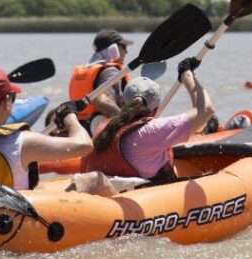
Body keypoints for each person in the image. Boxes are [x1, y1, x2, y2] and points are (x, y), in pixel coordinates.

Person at [81, 57, 214, 183]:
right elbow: (206, 111)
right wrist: (187, 74)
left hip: (109, 197)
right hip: (147, 201)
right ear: (156, 109)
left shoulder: (105, 127)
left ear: (123, 102)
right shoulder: (153, 131)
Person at [66, 28, 134, 133]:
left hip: (80, 132)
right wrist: (128, 127)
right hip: (100, 135)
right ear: (113, 49)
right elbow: (102, 100)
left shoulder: (84, 70)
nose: (126, 52)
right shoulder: (110, 71)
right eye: (123, 47)